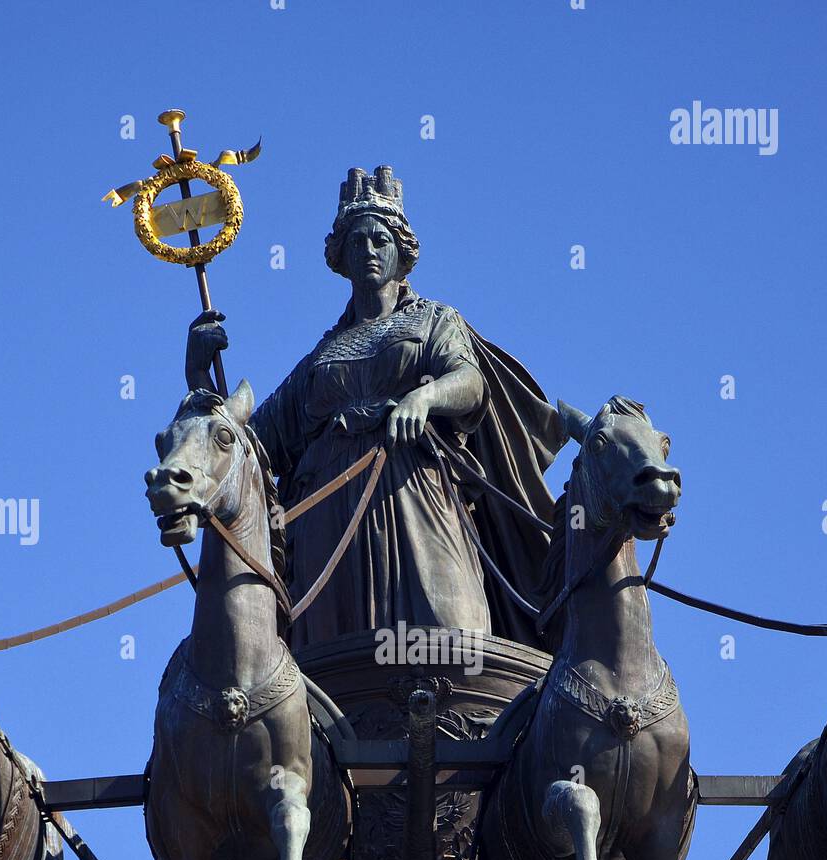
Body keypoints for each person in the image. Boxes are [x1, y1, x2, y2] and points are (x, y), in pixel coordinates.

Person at [185, 165, 565, 650]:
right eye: (356, 241)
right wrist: (199, 375)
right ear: (340, 257)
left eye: (379, 240)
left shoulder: (434, 320)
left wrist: (424, 397)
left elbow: (470, 382)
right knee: (326, 651)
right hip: (328, 516)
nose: (368, 249)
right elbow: (249, 445)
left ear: (401, 253)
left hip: (416, 491)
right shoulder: (322, 359)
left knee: (450, 635)